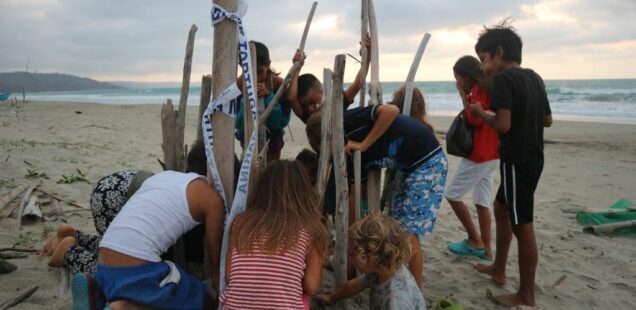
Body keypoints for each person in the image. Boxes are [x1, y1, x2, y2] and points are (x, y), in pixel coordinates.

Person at [306, 103, 447, 289]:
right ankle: (402, 280)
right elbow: (355, 194)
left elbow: (391, 110)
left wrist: (364, 144)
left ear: (330, 137)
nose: (327, 158)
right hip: (408, 169)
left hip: (427, 162)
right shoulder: (348, 156)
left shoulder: (348, 120)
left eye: (323, 150)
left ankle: (416, 292)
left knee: (407, 232)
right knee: (397, 228)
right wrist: (352, 235)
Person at [469, 21, 552, 307]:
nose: (483, 67)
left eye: (484, 59)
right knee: (500, 208)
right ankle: (499, 268)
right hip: (534, 158)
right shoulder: (535, 77)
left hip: (516, 161)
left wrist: (481, 112)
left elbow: (502, 125)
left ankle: (526, 294)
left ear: (499, 52)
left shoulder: (504, 80)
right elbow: (547, 120)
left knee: (522, 224)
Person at [42, 141, 209, 275]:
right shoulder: (202, 198)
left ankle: (75, 236)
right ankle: (69, 252)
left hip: (116, 184)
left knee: (118, 245)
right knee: (116, 266)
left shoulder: (185, 181)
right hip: (118, 198)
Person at [95, 169, 224, 309]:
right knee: (197, 296)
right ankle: (122, 306)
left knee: (154, 295)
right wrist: (219, 290)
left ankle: (109, 300)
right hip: (137, 272)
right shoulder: (213, 201)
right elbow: (215, 261)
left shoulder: (163, 176)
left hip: (103, 270)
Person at [219, 160, 330, 309]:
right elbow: (311, 287)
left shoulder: (240, 223)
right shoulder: (310, 229)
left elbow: (229, 276)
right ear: (305, 193)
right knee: (302, 297)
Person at [444, 55, 499, 260]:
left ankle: (475, 240)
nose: (456, 82)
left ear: (466, 77)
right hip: (493, 153)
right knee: (482, 201)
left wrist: (464, 99)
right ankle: (487, 250)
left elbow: (474, 120)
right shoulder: (490, 88)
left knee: (452, 194)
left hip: (479, 155)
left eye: (457, 77)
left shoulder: (477, 90)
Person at [317, 212, 426, 309]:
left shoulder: (396, 299)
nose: (348, 257)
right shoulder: (381, 269)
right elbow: (354, 286)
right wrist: (331, 298)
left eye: (351, 254)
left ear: (366, 259)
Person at [288, 34, 371, 123]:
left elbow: (358, 84)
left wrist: (368, 54)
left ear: (322, 91)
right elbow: (291, 99)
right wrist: (297, 67)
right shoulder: (308, 117)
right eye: (304, 106)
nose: (310, 109)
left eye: (312, 102)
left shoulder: (337, 102)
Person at [235, 41, 290, 161]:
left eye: (259, 72)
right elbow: (237, 123)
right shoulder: (238, 86)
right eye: (249, 72)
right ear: (241, 65)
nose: (255, 77)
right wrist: (247, 99)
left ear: (268, 65)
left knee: (270, 174)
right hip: (247, 142)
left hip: (273, 144)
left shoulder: (278, 84)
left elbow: (283, 121)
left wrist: (269, 97)